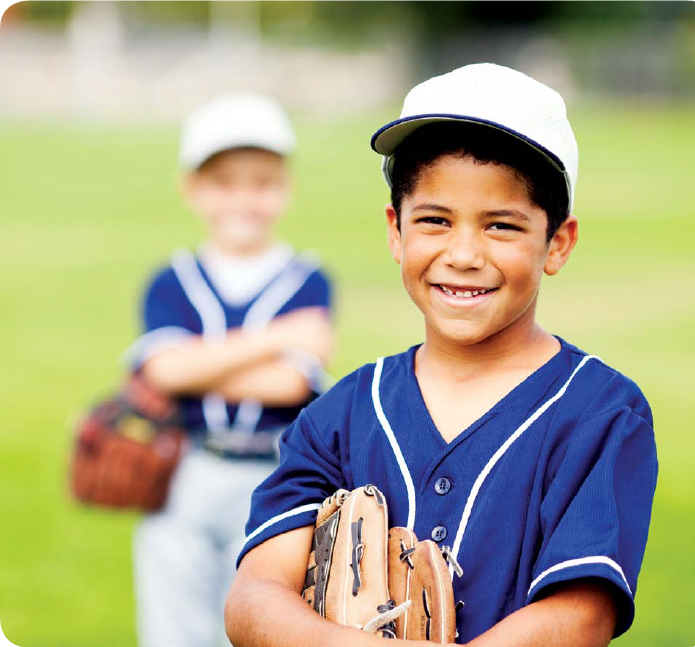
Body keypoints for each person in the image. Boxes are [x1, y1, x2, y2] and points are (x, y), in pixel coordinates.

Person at [224, 63, 658, 647]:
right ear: (395, 230)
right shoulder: (340, 416)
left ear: (557, 242)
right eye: (434, 220)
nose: (463, 253)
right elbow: (254, 598)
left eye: (502, 226)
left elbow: (582, 615)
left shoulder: (600, 413)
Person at [126, 93, 333, 647]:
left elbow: (289, 384)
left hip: (273, 476)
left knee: (256, 622)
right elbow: (165, 373)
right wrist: (279, 337)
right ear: (192, 188)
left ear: (285, 186)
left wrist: (199, 365)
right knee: (173, 627)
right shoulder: (170, 279)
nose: (244, 198)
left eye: (262, 182)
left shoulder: (307, 278)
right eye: (225, 182)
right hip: (185, 468)